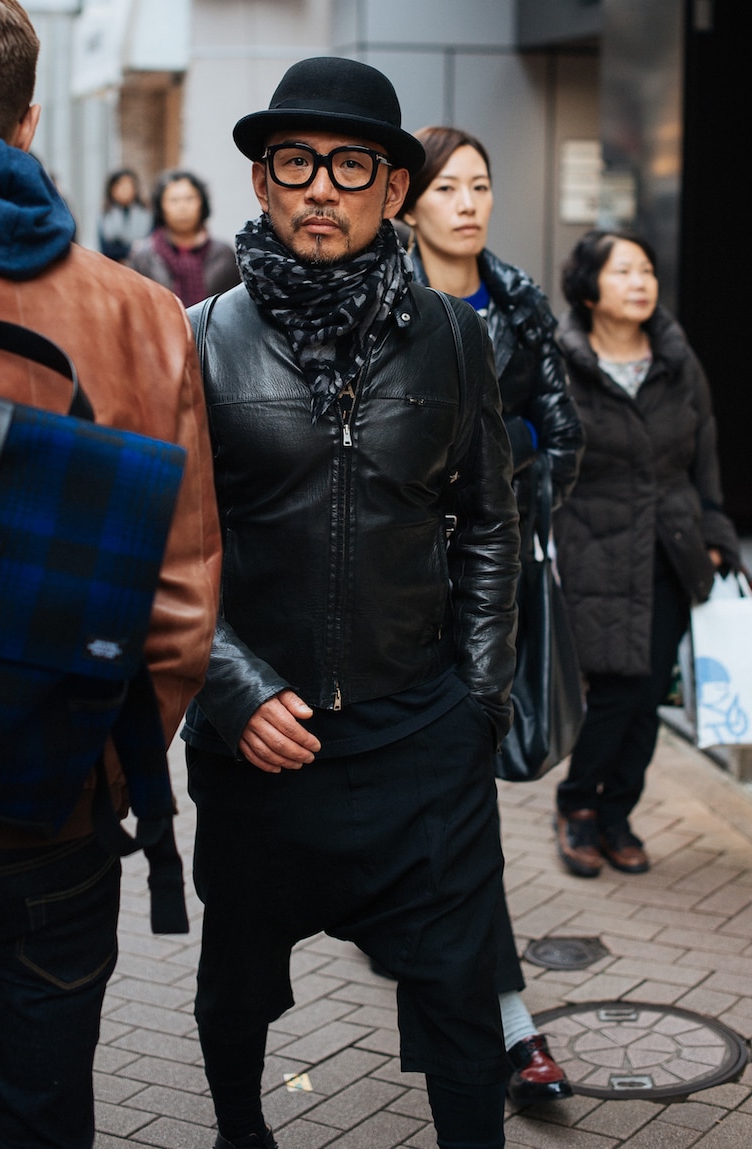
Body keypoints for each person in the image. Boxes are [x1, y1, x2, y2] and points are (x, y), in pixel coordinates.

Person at [0, 3, 221, 1148]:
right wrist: (100, 771)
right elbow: (182, 606)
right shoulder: (143, 314)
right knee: (40, 1122)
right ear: (30, 121)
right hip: (59, 819)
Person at [180, 56, 521, 1149]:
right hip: (259, 744)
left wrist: (475, 697)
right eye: (295, 162)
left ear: (390, 190)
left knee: (463, 998)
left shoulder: (457, 339)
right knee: (235, 984)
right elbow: (169, 546)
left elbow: (489, 524)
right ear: (262, 184)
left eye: (350, 164)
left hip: (420, 734)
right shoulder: (195, 339)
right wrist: (229, 691)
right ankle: (243, 1132)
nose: (320, 186)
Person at [395, 125, 585, 1104]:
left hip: (482, 597)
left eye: (481, 186)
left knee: (457, 818)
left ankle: (504, 1030)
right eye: (448, 188)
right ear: (411, 202)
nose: (469, 203)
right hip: (382, 598)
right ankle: (488, 1019)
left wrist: (489, 452)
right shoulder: (377, 295)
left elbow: (563, 436)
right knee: (429, 827)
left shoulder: (515, 299)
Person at [551, 228, 741, 879]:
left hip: (671, 548)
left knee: (650, 692)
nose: (640, 283)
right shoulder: (562, 359)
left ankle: (616, 813)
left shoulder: (676, 358)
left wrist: (716, 532)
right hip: (594, 549)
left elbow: (705, 451)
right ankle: (578, 806)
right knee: (613, 692)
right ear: (589, 286)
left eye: (647, 272)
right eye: (624, 271)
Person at [126, 168, 240, 306]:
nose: (182, 207)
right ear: (161, 206)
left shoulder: (223, 255)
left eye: (189, 199)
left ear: (202, 203)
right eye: (174, 200)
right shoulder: (143, 256)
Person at [96, 166, 152, 262]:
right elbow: (107, 249)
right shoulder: (105, 215)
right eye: (120, 185)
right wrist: (132, 248)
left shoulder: (147, 213)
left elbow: (151, 246)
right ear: (112, 189)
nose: (125, 189)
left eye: (129, 185)